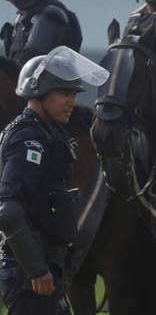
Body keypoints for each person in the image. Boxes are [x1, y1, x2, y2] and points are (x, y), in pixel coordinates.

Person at [0, 46, 109, 314]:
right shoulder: (29, 140)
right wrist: (36, 270)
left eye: (73, 94)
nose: (72, 101)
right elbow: (9, 210)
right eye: (64, 93)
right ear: (37, 93)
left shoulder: (47, 135)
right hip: (31, 276)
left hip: (45, 269)